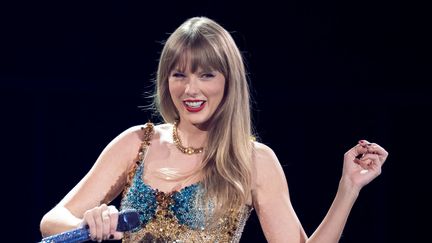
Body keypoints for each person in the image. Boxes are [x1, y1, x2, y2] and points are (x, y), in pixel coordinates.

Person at [40, 16, 388, 243]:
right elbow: (52, 221)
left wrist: (348, 189)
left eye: (206, 75)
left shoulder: (253, 160)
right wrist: (91, 222)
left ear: (228, 81)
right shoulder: (137, 143)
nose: (191, 89)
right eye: (180, 74)